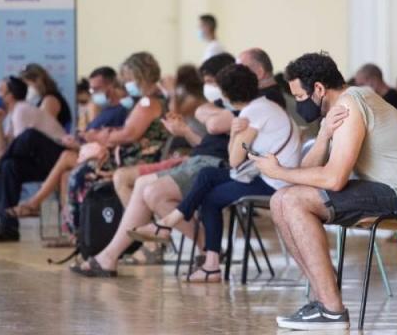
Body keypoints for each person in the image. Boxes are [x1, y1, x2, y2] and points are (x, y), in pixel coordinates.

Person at [257, 52, 397, 330]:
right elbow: (306, 173)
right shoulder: (339, 108)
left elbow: (335, 179)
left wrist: (278, 172)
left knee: (291, 201)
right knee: (282, 199)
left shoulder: (352, 104)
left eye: (300, 98)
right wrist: (324, 135)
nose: (299, 105)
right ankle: (322, 300)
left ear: (318, 89)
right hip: (386, 188)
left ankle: (332, 310)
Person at [116, 64, 301, 282]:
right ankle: (170, 227)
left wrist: (233, 132)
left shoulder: (252, 114)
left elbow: (233, 160)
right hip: (267, 174)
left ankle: (207, 261)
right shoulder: (263, 106)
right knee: (207, 175)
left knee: (210, 199)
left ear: (227, 94)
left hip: (272, 182)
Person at [70, 63, 236, 272]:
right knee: (139, 183)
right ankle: (110, 256)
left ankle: (169, 240)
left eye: (211, 82)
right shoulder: (216, 106)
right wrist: (184, 130)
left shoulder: (219, 108)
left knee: (142, 187)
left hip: (205, 165)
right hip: (197, 159)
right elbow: (205, 144)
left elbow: (132, 132)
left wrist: (174, 95)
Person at [7, 52, 167, 219]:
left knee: (77, 173)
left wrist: (101, 137)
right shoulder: (148, 101)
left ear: (138, 75)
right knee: (69, 167)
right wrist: (104, 135)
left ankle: (75, 230)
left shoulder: (148, 103)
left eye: (127, 79)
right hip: (128, 154)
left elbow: (129, 135)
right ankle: (71, 229)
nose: (126, 84)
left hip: (135, 159)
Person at [0, 77, 69, 242]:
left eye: (1, 91)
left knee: (29, 135)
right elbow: (4, 149)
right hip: (41, 161)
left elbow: (23, 144)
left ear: (10, 95)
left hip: (58, 154)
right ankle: (7, 227)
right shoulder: (12, 114)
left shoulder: (22, 109)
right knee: (9, 166)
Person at [20, 63, 73, 130]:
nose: (25, 88)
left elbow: (43, 130)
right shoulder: (45, 99)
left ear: (38, 80)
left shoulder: (50, 100)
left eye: (26, 84)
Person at [84, 66, 131, 131]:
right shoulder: (102, 108)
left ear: (112, 85)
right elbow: (92, 130)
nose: (94, 93)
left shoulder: (125, 108)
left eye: (97, 89)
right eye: (92, 90)